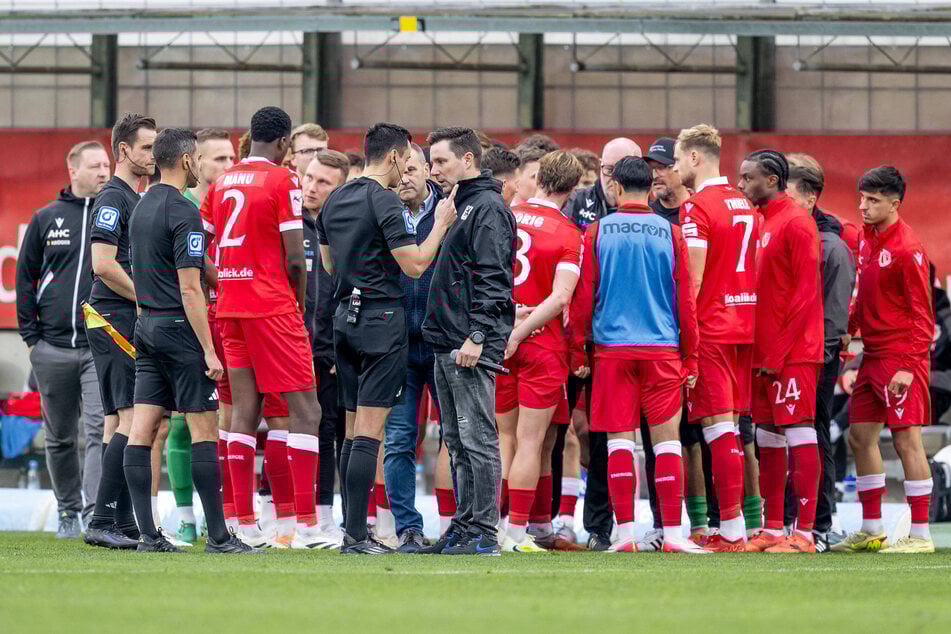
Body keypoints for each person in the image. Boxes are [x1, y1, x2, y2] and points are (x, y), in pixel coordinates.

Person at [317, 123, 456, 554]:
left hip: (344, 318)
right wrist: (441, 225)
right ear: (395, 157)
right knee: (370, 435)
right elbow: (414, 265)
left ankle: (351, 530)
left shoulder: (335, 197)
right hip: (382, 320)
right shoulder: (384, 201)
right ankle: (358, 536)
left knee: (353, 428)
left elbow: (327, 265)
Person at [569, 156, 706, 554]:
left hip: (612, 352)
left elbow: (583, 296)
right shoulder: (671, 232)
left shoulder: (595, 232)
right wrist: (691, 357)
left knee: (618, 445)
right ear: (650, 188)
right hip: (662, 349)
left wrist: (578, 348)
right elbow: (686, 300)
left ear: (614, 188)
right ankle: (675, 535)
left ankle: (625, 535)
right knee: (666, 445)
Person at [202, 107, 322, 549]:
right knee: (305, 410)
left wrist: (228, 281)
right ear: (285, 141)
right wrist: (299, 303)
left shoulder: (223, 181)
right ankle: (306, 527)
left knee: (243, 414)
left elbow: (198, 248)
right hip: (272, 307)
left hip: (230, 309)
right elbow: (295, 257)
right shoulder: (283, 180)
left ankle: (245, 525)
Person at [420, 127, 516, 556]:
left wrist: (477, 336)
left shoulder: (488, 207)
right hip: (446, 338)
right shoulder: (457, 204)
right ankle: (463, 527)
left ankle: (484, 533)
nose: (433, 169)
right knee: (456, 441)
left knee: (477, 437)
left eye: (441, 161)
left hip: (467, 341)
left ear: (468, 161)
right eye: (432, 161)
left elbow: (495, 280)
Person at [834, 167, 937, 554]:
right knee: (859, 437)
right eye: (861, 198)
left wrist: (910, 367)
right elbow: (866, 297)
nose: (863, 206)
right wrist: (851, 327)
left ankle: (921, 535)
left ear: (895, 204)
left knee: (906, 439)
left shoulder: (908, 249)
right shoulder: (866, 240)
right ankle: (872, 528)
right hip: (872, 355)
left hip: (900, 357)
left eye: (873, 200)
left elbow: (921, 316)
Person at [15, 141, 110, 538]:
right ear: (74, 171)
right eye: (95, 166)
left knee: (98, 430)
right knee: (57, 437)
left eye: (107, 165)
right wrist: (31, 339)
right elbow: (23, 277)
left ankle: (92, 512)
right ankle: (68, 512)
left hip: (97, 348)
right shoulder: (46, 217)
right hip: (51, 348)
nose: (104, 172)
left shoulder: (116, 215)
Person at [671, 124, 758, 552]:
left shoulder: (696, 208)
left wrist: (683, 336)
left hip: (714, 329)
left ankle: (731, 530)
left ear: (693, 158)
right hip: (745, 323)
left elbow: (695, 279)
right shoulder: (743, 203)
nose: (672, 168)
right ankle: (737, 526)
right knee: (731, 429)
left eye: (676, 158)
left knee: (718, 429)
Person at [736, 150, 823, 554]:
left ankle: (804, 534)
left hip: (793, 355)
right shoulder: (763, 222)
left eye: (747, 177)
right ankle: (772, 529)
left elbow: (806, 297)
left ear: (771, 180)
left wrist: (778, 354)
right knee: (767, 439)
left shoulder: (798, 224)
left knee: (800, 433)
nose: (740, 184)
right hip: (764, 354)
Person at [496, 150, 583, 553]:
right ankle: (517, 533)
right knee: (532, 443)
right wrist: (524, 330)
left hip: (496, 334)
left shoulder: (506, 216)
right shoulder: (568, 232)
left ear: (540, 177)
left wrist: (507, 324)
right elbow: (561, 296)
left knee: (503, 437)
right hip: (541, 343)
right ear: (572, 187)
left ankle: (491, 525)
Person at [562, 136, 641, 551]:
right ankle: (555, 519)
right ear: (599, 170)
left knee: (607, 431)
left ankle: (600, 524)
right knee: (562, 428)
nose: (615, 179)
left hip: (619, 338)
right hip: (573, 332)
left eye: (622, 170)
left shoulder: (651, 209)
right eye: (609, 171)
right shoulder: (576, 204)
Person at [82, 113, 157, 549]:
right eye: (146, 147)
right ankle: (101, 521)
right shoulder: (114, 198)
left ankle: (121, 522)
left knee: (118, 421)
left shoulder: (134, 197)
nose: (152, 155)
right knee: (133, 418)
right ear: (123, 150)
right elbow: (103, 264)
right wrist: (146, 299)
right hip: (113, 316)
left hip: (117, 316)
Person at [633, 134, 707, 551]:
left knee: (703, 437)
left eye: (664, 166)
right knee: (661, 438)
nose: (657, 174)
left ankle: (705, 522)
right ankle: (668, 523)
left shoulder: (695, 216)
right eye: (653, 168)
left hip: (694, 338)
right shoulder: (648, 217)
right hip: (657, 342)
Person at [785, 158, 856, 551]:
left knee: (813, 434)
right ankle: (788, 522)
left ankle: (819, 524)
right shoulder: (793, 237)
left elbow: (834, 316)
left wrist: (820, 356)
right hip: (789, 358)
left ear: (811, 199)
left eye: (790, 196)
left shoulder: (831, 247)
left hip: (815, 360)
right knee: (788, 438)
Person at [379, 142, 446, 553]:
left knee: (455, 437)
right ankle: (408, 528)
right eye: (399, 170)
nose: (404, 177)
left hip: (441, 340)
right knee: (401, 437)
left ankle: (459, 524)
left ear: (427, 171)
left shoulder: (451, 213)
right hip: (398, 343)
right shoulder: (383, 212)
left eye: (412, 169)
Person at [300, 148, 350, 548]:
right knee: (279, 428)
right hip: (289, 344)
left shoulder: (346, 227)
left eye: (322, 182)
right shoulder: (286, 223)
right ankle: (270, 514)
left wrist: (338, 344)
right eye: (309, 177)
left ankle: (322, 515)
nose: (310, 186)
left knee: (329, 430)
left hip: (330, 349)